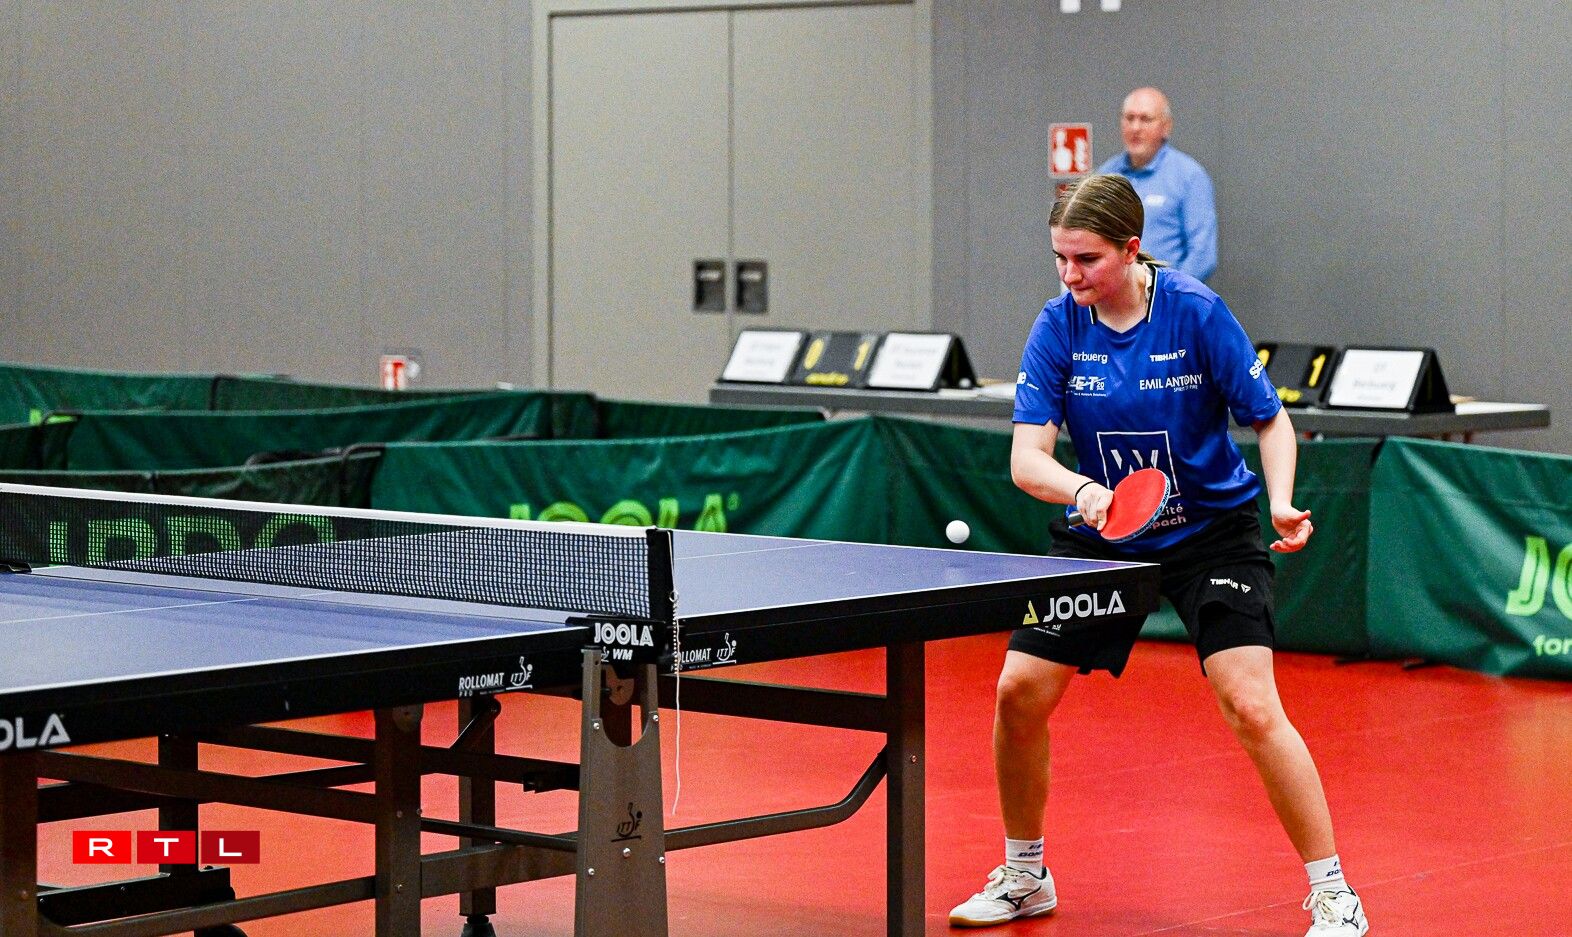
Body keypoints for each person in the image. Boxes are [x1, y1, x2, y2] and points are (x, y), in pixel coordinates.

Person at [948, 175, 1368, 936]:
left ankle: (1335, 892)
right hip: (1104, 530)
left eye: (1086, 259)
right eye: (1060, 258)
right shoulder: (1058, 325)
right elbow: (1026, 460)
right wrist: (1083, 491)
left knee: (1252, 704)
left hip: (1210, 533)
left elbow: (1270, 420)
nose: (1070, 275)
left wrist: (1279, 498)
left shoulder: (1195, 311)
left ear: (1131, 249)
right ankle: (1025, 874)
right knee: (1017, 692)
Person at [1098, 87, 1217, 282]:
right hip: (1112, 296)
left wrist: (1168, 293)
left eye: (1145, 119)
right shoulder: (1105, 176)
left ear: (1166, 127)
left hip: (1166, 295)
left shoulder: (1189, 176)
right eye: (1129, 118)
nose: (1135, 128)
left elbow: (1202, 255)